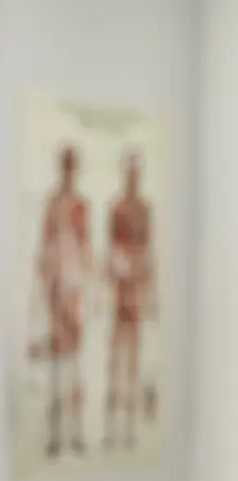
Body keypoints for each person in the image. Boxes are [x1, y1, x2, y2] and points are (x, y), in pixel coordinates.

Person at [29, 145, 91, 458]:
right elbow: (45, 249)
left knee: (74, 365)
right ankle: (56, 434)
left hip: (73, 293)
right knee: (57, 366)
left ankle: (76, 431)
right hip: (56, 293)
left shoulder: (80, 206)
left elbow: (85, 247)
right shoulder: (53, 204)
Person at [104, 152, 156, 448]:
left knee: (132, 358)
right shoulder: (118, 209)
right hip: (120, 290)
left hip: (134, 288)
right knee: (116, 356)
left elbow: (147, 253)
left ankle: (128, 428)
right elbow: (113, 251)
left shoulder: (143, 210)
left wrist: (147, 293)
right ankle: (113, 426)